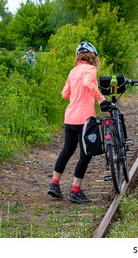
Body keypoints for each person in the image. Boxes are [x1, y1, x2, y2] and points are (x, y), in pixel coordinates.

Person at [47, 41, 112, 204]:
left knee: (67, 151)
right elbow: (88, 84)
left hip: (69, 118)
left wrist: (77, 94)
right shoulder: (90, 69)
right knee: (86, 154)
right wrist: (102, 100)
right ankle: (75, 190)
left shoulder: (73, 71)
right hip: (84, 120)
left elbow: (64, 94)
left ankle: (54, 184)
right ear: (93, 57)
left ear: (79, 57)